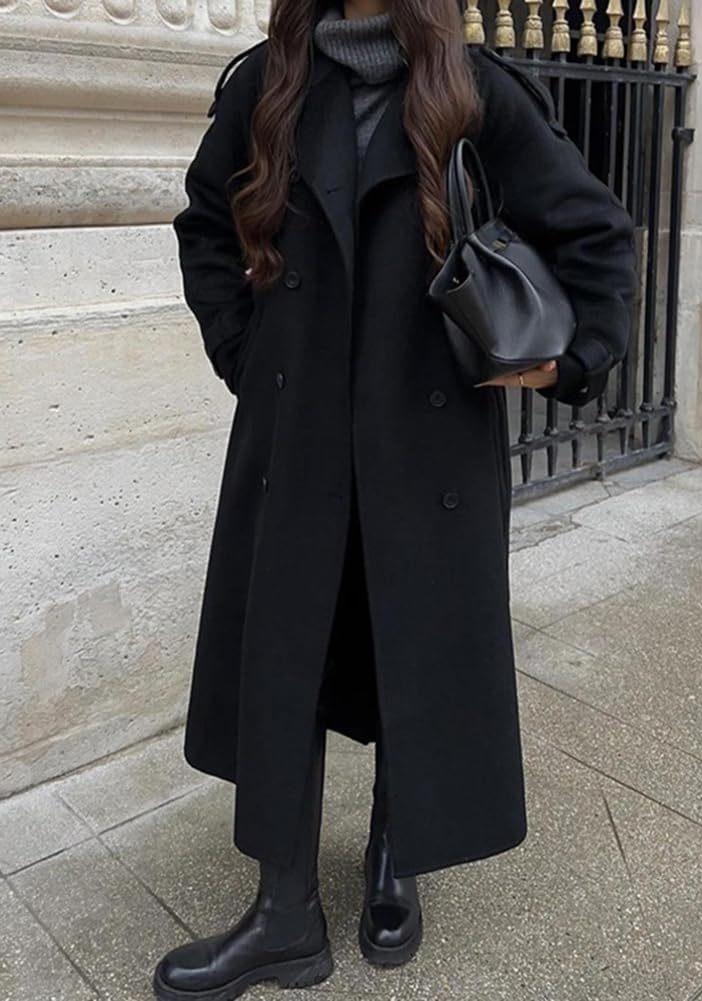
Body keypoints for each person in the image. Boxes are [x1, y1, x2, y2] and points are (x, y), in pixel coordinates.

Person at [153, 1, 637, 997]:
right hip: (295, 434)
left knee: (406, 642)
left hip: (427, 441)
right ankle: (284, 914)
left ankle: (394, 853)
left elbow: (596, 233)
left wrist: (570, 360)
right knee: (283, 651)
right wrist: (247, 355)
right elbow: (206, 222)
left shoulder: (476, 90)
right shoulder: (267, 81)